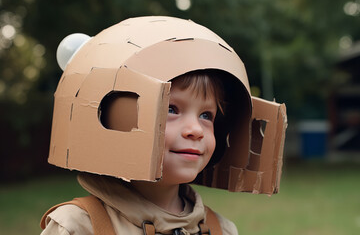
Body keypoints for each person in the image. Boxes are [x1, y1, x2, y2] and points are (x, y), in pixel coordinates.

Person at [40, 16, 286, 235]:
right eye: (171, 109)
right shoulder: (78, 227)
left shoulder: (221, 229)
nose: (196, 130)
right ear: (115, 119)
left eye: (206, 115)